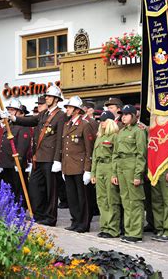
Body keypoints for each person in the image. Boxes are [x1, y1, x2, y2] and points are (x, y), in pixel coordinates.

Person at [9, 85, 66, 226]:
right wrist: (13, 118)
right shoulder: (44, 114)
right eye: (46, 96)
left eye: (48, 96)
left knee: (50, 191)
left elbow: (60, 139)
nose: (46, 98)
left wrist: (57, 160)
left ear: (56, 99)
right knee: (35, 187)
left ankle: (50, 218)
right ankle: (39, 214)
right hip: (38, 157)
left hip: (50, 158)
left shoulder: (60, 115)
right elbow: (30, 121)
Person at [112, 104, 147, 243]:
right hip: (121, 167)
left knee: (135, 201)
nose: (123, 117)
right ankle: (128, 230)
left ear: (133, 116)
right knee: (126, 201)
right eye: (122, 114)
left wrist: (138, 174)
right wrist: (114, 173)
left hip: (132, 167)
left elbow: (141, 154)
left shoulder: (138, 131)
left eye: (126, 114)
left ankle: (136, 233)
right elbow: (115, 154)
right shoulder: (121, 132)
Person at [62, 96, 94, 233]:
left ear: (76, 110)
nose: (67, 110)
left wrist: (88, 169)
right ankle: (75, 221)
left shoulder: (85, 125)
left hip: (80, 167)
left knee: (83, 198)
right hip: (69, 166)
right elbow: (65, 148)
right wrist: (63, 168)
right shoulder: (67, 124)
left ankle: (84, 223)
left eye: (69, 107)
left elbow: (89, 149)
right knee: (72, 197)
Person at [91, 111, 121, 238]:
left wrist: (114, 173)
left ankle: (113, 229)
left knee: (111, 199)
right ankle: (104, 226)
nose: (101, 123)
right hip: (100, 168)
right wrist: (93, 173)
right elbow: (94, 156)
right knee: (101, 200)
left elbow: (116, 156)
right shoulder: (100, 137)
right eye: (100, 121)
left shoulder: (115, 136)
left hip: (110, 166)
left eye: (104, 120)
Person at [0, 99, 31, 206]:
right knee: (9, 187)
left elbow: (23, 145)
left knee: (18, 188)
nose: (10, 112)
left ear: (19, 112)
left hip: (15, 162)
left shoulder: (23, 126)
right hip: (7, 162)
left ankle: (19, 208)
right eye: (9, 110)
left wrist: (19, 161)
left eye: (12, 110)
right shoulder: (9, 125)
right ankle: (11, 206)